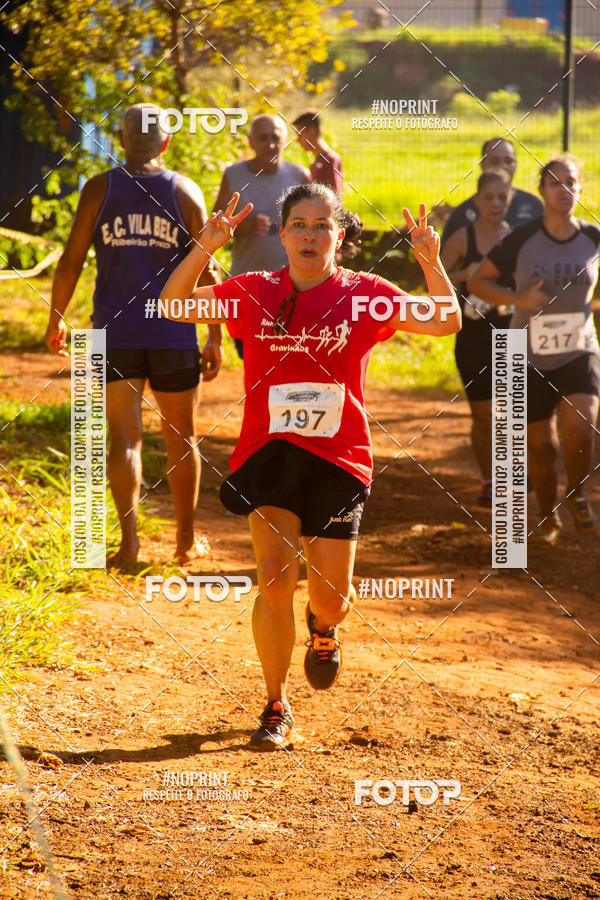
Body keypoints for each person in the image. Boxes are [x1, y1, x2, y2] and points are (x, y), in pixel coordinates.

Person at [159, 182, 461, 749]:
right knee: (274, 576)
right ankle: (275, 702)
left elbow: (446, 322)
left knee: (331, 597)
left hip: (339, 456)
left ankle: (323, 630)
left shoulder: (366, 294)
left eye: (322, 225)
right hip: (267, 453)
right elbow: (175, 305)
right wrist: (205, 245)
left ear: (340, 237)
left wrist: (430, 262)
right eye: (299, 223)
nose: (309, 234)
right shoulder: (253, 292)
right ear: (282, 233)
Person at [45, 103, 222, 564]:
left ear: (121, 141)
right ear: (166, 142)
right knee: (181, 437)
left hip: (113, 330)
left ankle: (129, 544)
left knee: (123, 437)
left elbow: (71, 261)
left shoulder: (98, 189)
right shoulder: (185, 190)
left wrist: (55, 317)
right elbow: (207, 270)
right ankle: (185, 543)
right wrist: (215, 336)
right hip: (175, 334)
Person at [469, 155, 600, 543]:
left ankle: (576, 493)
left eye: (571, 182)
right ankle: (547, 514)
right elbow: (478, 282)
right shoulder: (523, 237)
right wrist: (518, 297)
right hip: (524, 352)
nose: (565, 190)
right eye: (555, 183)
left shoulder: (593, 237)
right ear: (541, 190)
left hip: (578, 346)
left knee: (581, 422)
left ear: (581, 188)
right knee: (540, 448)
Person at [212, 114, 309, 358]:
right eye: (263, 138)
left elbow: (316, 228)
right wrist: (241, 227)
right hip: (248, 289)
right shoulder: (234, 175)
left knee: (290, 361)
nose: (271, 144)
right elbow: (213, 228)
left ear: (285, 141)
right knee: (252, 359)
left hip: (294, 289)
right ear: (250, 142)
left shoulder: (300, 176)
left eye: (276, 138)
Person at [441, 169, 511, 506]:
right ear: (476, 200)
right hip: (472, 339)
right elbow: (434, 279)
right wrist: (461, 274)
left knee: (510, 414)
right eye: (489, 197)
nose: (496, 203)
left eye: (503, 197)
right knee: (483, 415)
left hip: (511, 337)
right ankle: (489, 481)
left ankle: (511, 474)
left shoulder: (518, 239)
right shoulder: (462, 238)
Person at [441, 137, 543, 247]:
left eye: (508, 161)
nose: (502, 166)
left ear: (516, 165)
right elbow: (439, 261)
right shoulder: (463, 215)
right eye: (495, 162)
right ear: (482, 165)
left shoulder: (534, 207)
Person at [292, 110, 343, 194]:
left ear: (312, 131)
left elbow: (335, 197)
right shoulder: (318, 161)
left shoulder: (330, 160)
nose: (297, 140)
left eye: (299, 134)